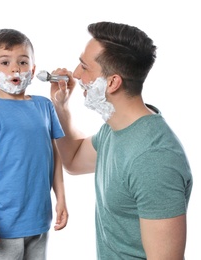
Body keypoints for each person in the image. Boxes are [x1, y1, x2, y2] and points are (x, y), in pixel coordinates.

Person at [50, 21, 193, 260]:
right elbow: (73, 160)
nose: (75, 74)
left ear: (112, 83)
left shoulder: (154, 159)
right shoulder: (115, 130)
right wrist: (60, 106)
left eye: (84, 67)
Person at [0, 28, 68, 260]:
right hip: (3, 224)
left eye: (23, 62)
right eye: (5, 62)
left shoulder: (45, 107)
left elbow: (53, 156)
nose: (15, 68)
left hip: (39, 219)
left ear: (33, 70)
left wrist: (61, 198)